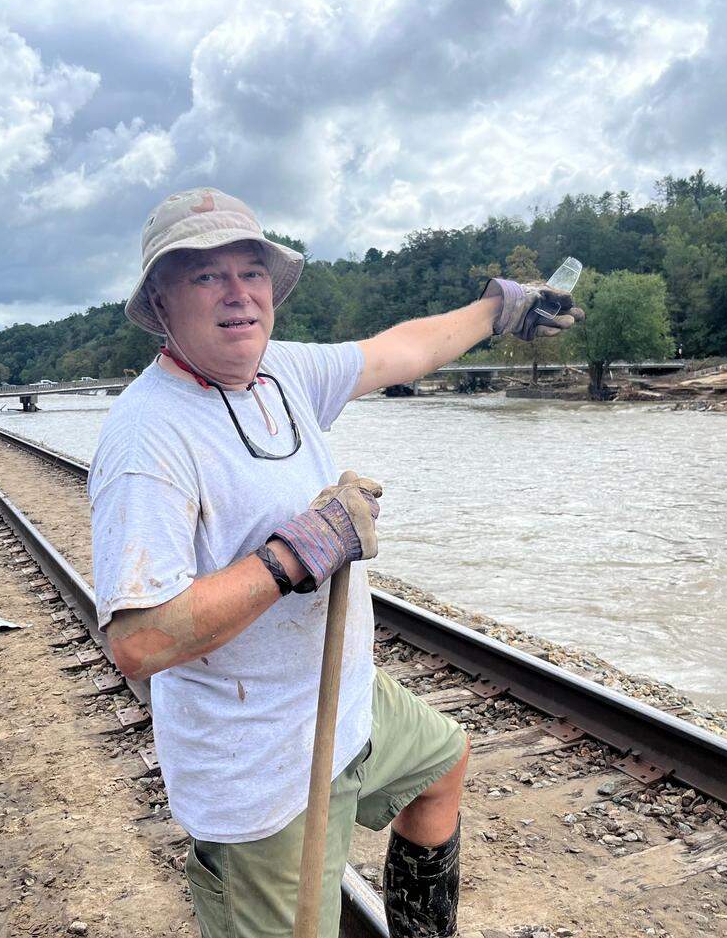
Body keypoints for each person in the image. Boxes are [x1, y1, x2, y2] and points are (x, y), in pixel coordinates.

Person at [88, 188, 582, 938]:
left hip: (345, 703)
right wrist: (293, 556)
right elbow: (139, 641)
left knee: (442, 765)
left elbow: (401, 350)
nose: (238, 295)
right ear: (161, 299)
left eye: (250, 271)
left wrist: (499, 309)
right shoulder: (146, 437)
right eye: (204, 276)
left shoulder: (281, 373)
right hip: (259, 771)